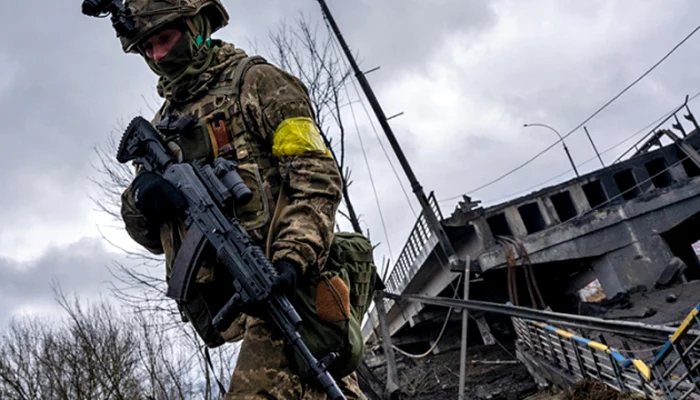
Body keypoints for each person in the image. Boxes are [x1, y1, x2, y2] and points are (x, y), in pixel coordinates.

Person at [113, 0, 366, 398]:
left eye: (165, 38)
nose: (159, 55)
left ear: (197, 25)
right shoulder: (161, 128)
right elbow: (149, 238)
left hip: (290, 284)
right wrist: (142, 200)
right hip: (236, 301)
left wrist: (291, 258)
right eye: (147, 47)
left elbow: (316, 175)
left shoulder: (259, 83)